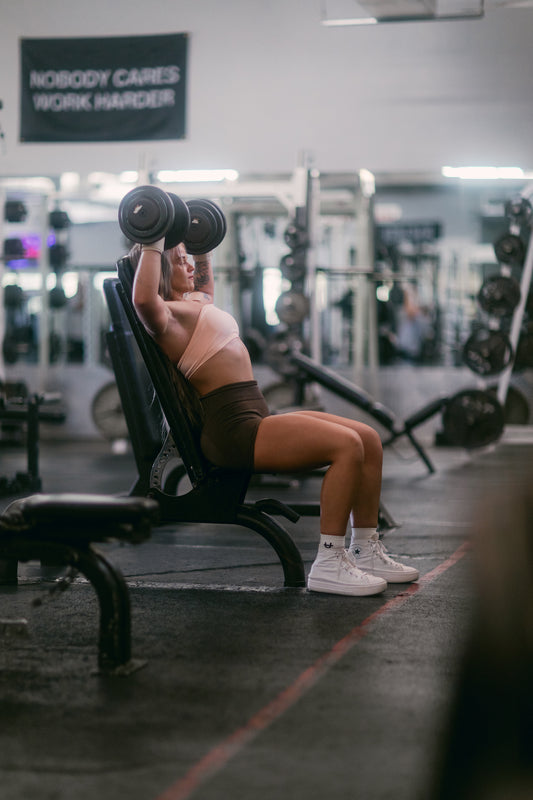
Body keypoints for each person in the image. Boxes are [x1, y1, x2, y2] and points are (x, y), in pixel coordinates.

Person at [130, 237, 419, 596]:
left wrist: (201, 245)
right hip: (234, 430)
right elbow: (142, 299)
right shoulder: (167, 319)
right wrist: (153, 243)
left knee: (369, 440)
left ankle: (366, 549)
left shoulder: (191, 302)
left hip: (252, 417)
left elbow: (203, 282)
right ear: (158, 270)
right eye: (179, 261)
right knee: (346, 446)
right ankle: (330, 563)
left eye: (188, 259)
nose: (189, 266)